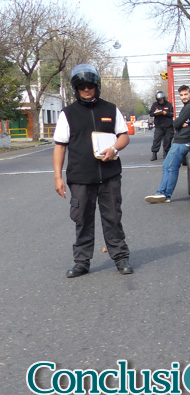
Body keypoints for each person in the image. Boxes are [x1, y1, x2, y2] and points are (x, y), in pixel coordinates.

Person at [53, 64, 132, 278]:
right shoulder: (67, 114)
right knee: (82, 219)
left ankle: (121, 258)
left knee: (113, 217)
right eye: (81, 87)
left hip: (109, 176)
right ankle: (81, 262)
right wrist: (58, 177)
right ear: (76, 89)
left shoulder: (110, 109)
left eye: (90, 86)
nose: (86, 90)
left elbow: (124, 136)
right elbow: (60, 145)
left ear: (97, 87)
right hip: (80, 177)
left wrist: (114, 147)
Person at [145, 85, 190, 203]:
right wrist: (179, 123)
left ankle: (164, 194)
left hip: (182, 142)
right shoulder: (188, 107)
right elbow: (178, 123)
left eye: (186, 94)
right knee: (166, 166)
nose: (184, 97)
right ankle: (162, 193)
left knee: (172, 167)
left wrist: (179, 123)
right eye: (181, 95)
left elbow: (175, 124)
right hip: (179, 141)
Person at [149, 90, 174, 161]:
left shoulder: (168, 104)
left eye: (161, 100)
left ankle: (166, 153)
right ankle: (154, 154)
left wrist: (165, 113)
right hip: (159, 126)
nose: (160, 101)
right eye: (159, 100)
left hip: (168, 125)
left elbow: (172, 114)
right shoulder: (155, 105)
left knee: (167, 140)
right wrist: (155, 113)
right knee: (156, 140)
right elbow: (151, 113)